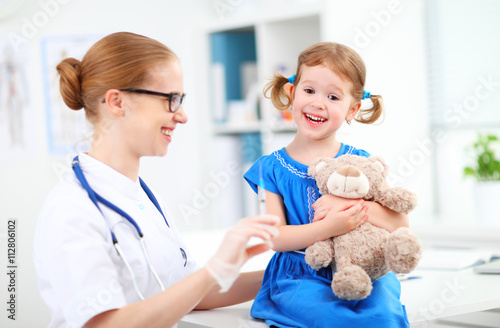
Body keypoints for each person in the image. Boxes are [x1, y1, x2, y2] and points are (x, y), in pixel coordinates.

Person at [33, 32, 280, 328]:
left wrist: (286, 274)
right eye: (171, 100)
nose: (183, 116)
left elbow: (192, 290)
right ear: (117, 102)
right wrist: (214, 269)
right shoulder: (72, 211)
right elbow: (102, 324)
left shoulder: (144, 198)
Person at [243, 42, 410, 328]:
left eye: (333, 96)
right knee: (328, 318)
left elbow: (400, 224)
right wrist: (329, 228)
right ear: (292, 94)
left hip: (363, 270)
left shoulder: (362, 162)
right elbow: (276, 238)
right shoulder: (270, 168)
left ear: (352, 110)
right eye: (309, 91)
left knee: (383, 317)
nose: (318, 103)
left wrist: (347, 206)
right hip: (300, 274)